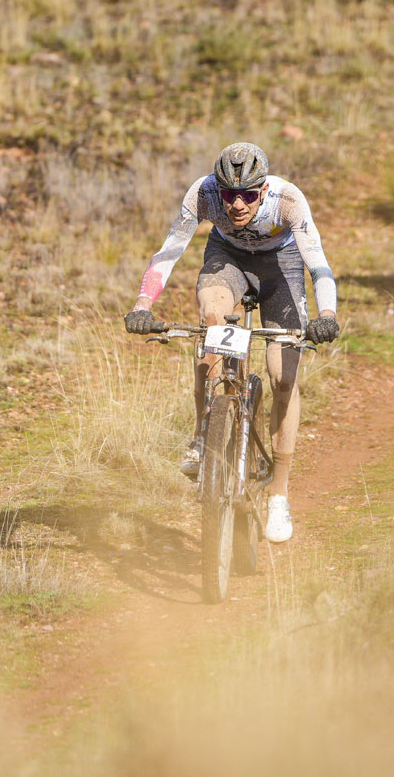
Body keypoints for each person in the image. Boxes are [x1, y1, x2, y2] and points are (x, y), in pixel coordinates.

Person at [124, 143, 339, 545]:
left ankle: (279, 494)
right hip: (228, 260)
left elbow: (318, 264)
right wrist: (142, 305)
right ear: (217, 189)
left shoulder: (288, 200)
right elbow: (169, 252)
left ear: (263, 190)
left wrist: (326, 315)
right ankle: (202, 435)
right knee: (211, 318)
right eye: (229, 194)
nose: (237, 204)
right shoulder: (202, 193)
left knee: (282, 376)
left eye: (249, 195)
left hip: (281, 268)